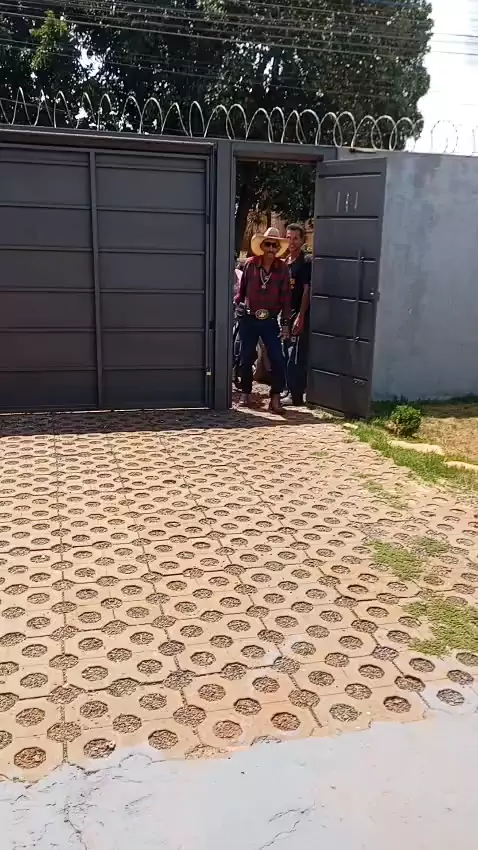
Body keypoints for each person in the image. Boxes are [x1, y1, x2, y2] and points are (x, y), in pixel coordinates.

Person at [235, 227, 291, 414]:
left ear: (278, 249)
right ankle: (246, 393)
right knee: (245, 357)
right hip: (249, 318)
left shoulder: (282, 268)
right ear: (262, 246)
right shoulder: (251, 264)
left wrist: (285, 324)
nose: (271, 249)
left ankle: (275, 397)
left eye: (274, 246)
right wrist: (238, 306)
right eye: (268, 244)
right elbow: (241, 291)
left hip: (270, 319)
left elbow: (286, 298)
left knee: (277, 358)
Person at [283, 223, 311, 406]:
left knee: (295, 355)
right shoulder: (284, 262)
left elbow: (307, 291)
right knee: (285, 354)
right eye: (289, 238)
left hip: (298, 314)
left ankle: (296, 395)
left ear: (302, 241)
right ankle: (287, 390)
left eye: (295, 238)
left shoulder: (306, 262)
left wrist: (301, 317)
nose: (291, 242)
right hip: (285, 314)